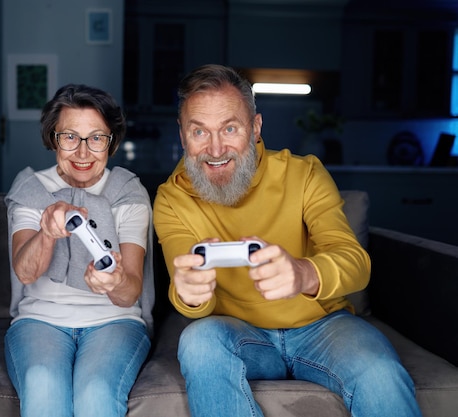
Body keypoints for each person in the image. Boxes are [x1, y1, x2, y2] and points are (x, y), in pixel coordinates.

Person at [152, 64, 422, 417]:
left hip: (324, 328)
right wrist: (188, 293)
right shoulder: (172, 199)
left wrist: (302, 273)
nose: (215, 149)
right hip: (240, 333)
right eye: (199, 131)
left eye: (230, 128)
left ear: (256, 127)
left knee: (380, 372)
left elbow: (355, 263)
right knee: (198, 341)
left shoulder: (304, 173)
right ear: (182, 134)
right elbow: (188, 297)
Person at [4, 84, 154, 417]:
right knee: (42, 382)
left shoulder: (128, 193)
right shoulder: (31, 189)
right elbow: (26, 272)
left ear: (111, 142)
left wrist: (114, 282)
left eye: (96, 138)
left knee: (96, 392)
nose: (83, 153)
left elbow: (130, 293)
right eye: (70, 137)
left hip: (115, 322)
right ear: (52, 138)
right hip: (40, 321)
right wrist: (46, 232)